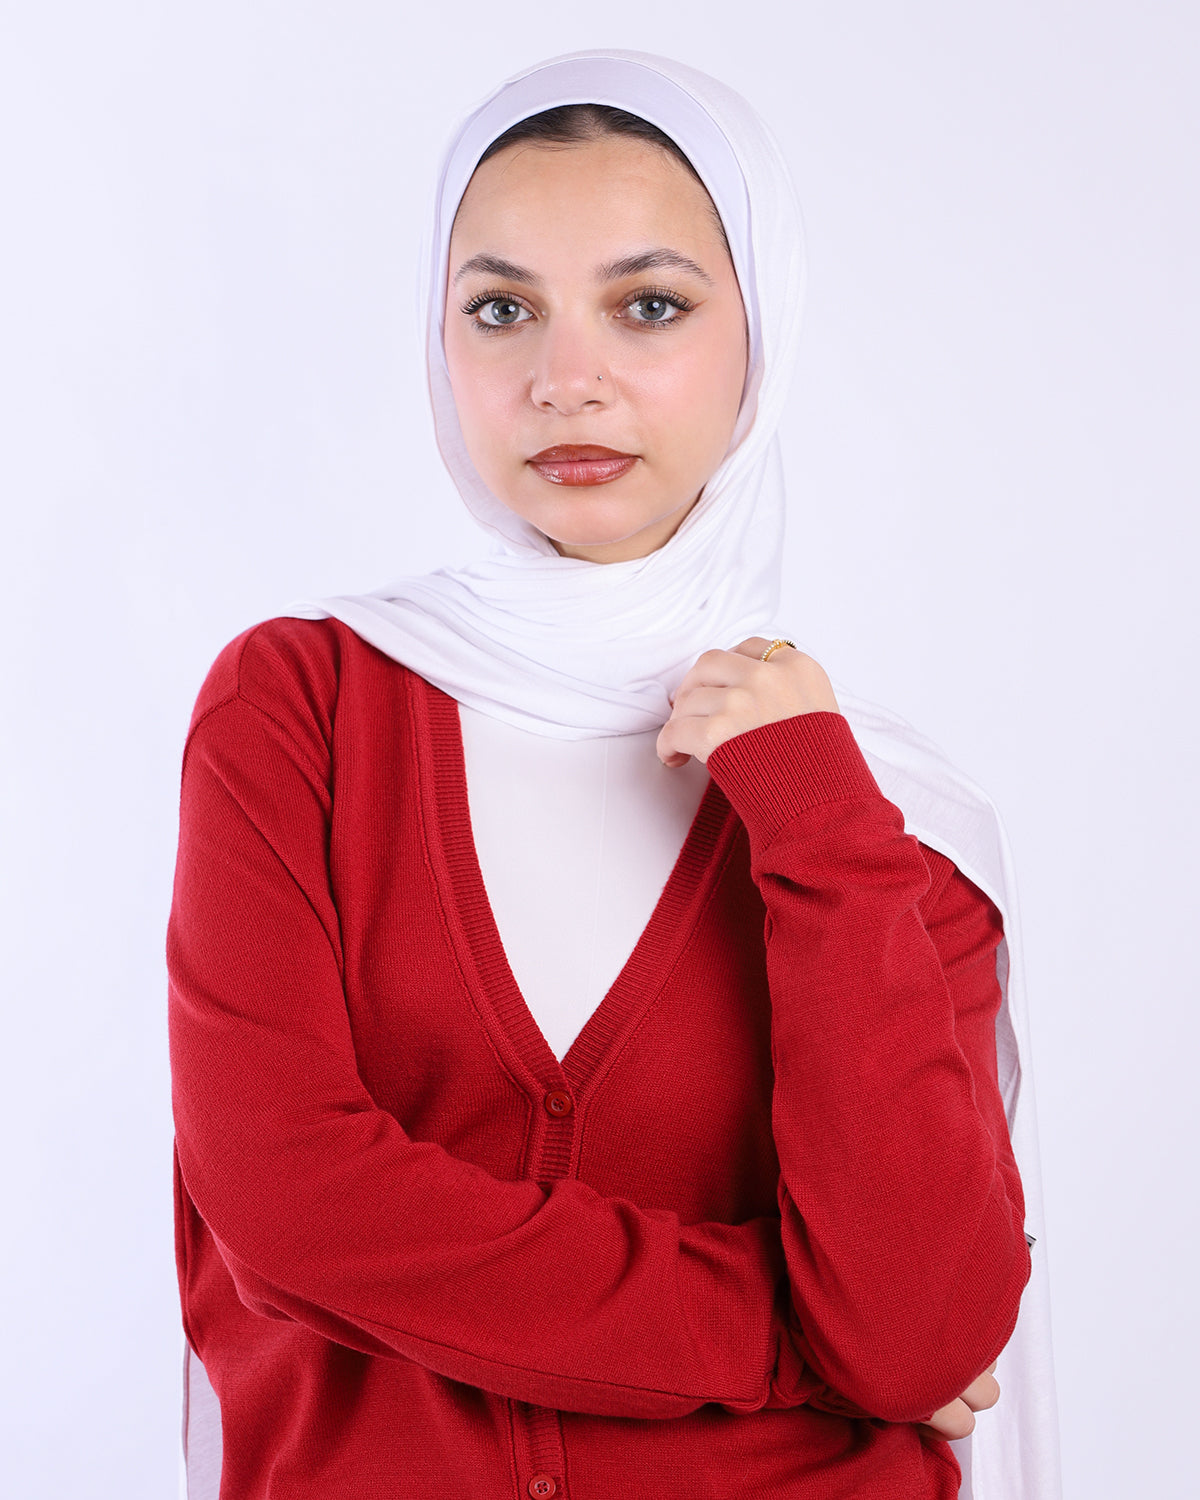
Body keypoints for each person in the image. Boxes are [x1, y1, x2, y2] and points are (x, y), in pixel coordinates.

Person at [167, 49, 1060, 1500]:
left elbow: (919, 1325)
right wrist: (797, 1338)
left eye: (648, 305)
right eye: (501, 309)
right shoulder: (305, 708)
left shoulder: (875, 806)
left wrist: (817, 819)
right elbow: (287, 1208)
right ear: (439, 343)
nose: (563, 380)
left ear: (761, 335)